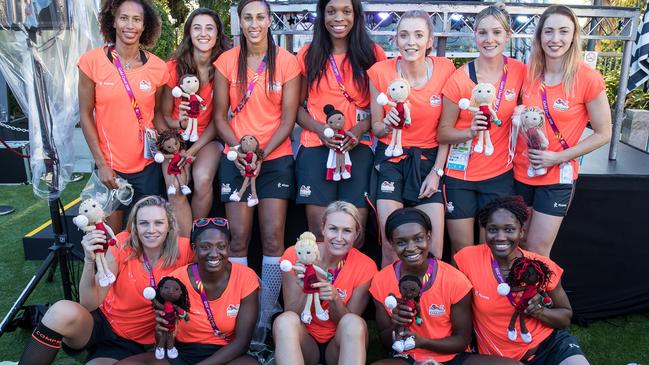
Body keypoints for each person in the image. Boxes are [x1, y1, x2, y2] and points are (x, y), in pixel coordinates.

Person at [18, 196, 194, 364]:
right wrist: (89, 260)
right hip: (99, 322)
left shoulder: (184, 249)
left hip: (128, 342)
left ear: (170, 225)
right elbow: (89, 304)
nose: (151, 230)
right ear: (134, 226)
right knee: (60, 311)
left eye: (159, 223)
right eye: (143, 223)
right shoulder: (121, 243)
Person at [213, 0, 301, 331]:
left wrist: (260, 154)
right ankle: (235, 312)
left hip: (274, 159)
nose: (254, 23)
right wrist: (238, 152)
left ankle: (265, 316)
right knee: (236, 238)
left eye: (260, 17)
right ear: (239, 22)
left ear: (269, 20)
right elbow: (220, 116)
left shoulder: (288, 62)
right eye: (247, 17)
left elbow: (288, 119)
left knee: (273, 237)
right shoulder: (226, 61)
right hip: (235, 160)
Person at [513, 5, 611, 256]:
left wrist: (558, 157)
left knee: (537, 249)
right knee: (518, 246)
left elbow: (604, 133)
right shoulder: (529, 73)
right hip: (520, 174)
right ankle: (514, 296)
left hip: (557, 177)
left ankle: (538, 296)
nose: (555, 39)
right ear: (539, 37)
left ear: (573, 36)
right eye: (549, 32)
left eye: (563, 31)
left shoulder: (588, 78)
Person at [370, 208, 521, 365]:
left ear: (428, 237)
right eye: (401, 242)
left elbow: (462, 340)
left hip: (452, 358)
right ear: (391, 244)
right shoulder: (381, 281)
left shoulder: (455, 280)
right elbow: (386, 341)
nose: (411, 247)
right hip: (407, 358)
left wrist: (422, 342)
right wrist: (398, 323)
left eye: (418, 239)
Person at [454, 196, 589, 364]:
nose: (501, 237)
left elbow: (565, 318)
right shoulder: (467, 259)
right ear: (484, 230)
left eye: (509, 229)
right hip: (500, 356)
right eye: (493, 229)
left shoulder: (542, 266)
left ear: (521, 231)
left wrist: (539, 311)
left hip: (549, 345)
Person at [437, 3, 526, 255]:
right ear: (474, 35)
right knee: (463, 251)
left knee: (493, 249)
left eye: (497, 32)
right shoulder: (459, 78)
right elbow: (443, 133)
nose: (489, 39)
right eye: (482, 33)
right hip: (459, 177)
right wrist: (470, 131)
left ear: (508, 36)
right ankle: (463, 296)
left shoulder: (520, 71)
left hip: (500, 176)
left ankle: (489, 296)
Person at [368, 11, 455, 266]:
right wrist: (385, 124)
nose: (411, 42)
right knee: (390, 248)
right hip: (391, 159)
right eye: (404, 35)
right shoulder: (379, 72)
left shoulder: (445, 69)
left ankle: (428, 305)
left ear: (430, 41)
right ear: (395, 40)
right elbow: (376, 127)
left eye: (418, 35)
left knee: (434, 250)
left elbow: (447, 129)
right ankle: (389, 305)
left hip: (429, 161)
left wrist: (437, 172)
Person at [294, 0, 386, 242]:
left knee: (353, 233)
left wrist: (358, 130)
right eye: (331, 11)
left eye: (346, 11)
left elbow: (380, 106)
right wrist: (321, 130)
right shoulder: (308, 53)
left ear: (356, 15)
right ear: (322, 14)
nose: (339, 18)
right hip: (316, 148)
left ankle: (349, 280)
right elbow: (296, 109)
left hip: (358, 147)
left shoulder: (373, 53)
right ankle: (321, 280)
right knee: (320, 234)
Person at [118, 218, 260, 365]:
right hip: (181, 354)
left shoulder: (245, 277)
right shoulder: (176, 280)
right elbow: (165, 339)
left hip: (226, 355)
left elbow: (242, 342)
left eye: (221, 246)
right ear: (194, 249)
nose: (214, 253)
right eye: (205, 247)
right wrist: (161, 332)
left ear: (228, 247)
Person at [78, 0, 168, 232]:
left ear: (145, 25)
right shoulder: (92, 62)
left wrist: (175, 140)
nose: (130, 25)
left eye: (136, 19)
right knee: (112, 239)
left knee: (146, 236)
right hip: (110, 169)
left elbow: (158, 115)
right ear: (113, 21)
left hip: (148, 167)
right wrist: (101, 164)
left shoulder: (158, 68)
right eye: (124, 17)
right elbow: (85, 114)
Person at [274, 201, 377, 365]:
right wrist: (305, 288)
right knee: (285, 321)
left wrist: (335, 299)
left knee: (354, 323)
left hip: (338, 345)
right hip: (305, 341)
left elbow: (349, 324)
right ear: (322, 228)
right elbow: (293, 312)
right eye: (333, 229)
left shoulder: (366, 266)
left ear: (357, 234)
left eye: (347, 231)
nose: (339, 238)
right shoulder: (296, 254)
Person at [160, 8, 231, 234]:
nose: (203, 33)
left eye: (209, 28)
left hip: (207, 139)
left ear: (218, 34)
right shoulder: (173, 66)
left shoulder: (223, 66)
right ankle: (182, 246)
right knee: (176, 188)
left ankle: (194, 239)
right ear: (189, 33)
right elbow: (161, 114)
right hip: (175, 139)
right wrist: (176, 146)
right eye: (197, 27)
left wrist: (191, 152)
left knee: (202, 179)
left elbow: (217, 120)